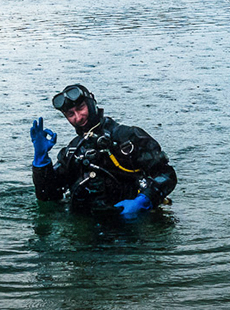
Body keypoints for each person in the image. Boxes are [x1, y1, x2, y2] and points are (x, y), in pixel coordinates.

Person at [29, 84, 177, 217]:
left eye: (80, 108)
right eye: (70, 114)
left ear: (91, 104)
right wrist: (41, 160)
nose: (78, 118)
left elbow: (167, 174)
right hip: (87, 227)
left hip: (130, 223)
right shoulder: (73, 152)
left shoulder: (128, 138)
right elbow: (48, 196)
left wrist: (144, 200)